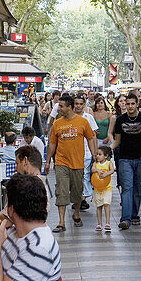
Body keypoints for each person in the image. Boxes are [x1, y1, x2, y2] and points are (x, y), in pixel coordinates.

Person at [45, 93, 97, 233]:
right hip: (61, 163)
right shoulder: (57, 123)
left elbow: (91, 138)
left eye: (61, 106)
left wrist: (94, 155)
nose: (59, 109)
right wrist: (48, 161)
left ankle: (76, 213)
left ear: (69, 107)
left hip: (78, 163)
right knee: (61, 191)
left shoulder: (82, 122)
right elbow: (52, 144)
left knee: (77, 191)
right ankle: (61, 222)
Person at [113, 92, 141, 230]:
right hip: (124, 158)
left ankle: (134, 215)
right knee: (127, 188)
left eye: (132, 104)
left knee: (137, 188)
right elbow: (117, 141)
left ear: (137, 104)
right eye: (127, 103)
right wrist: (106, 151)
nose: (129, 106)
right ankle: (126, 218)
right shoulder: (120, 120)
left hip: (140, 157)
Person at [74, 95, 98, 211]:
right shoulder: (70, 118)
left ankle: (82, 199)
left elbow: (93, 137)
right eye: (76, 104)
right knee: (75, 177)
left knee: (85, 175)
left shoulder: (88, 118)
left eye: (80, 104)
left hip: (87, 153)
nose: (78, 106)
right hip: (73, 153)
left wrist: (95, 153)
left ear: (84, 105)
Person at [91, 145, 115, 233]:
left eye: (100, 154)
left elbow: (112, 170)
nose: (97, 156)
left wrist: (106, 174)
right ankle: (99, 223)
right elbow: (92, 170)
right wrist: (97, 170)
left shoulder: (109, 163)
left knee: (106, 204)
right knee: (98, 206)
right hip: (97, 189)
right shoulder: (95, 164)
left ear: (105, 156)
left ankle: (108, 222)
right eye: (96, 154)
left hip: (107, 188)